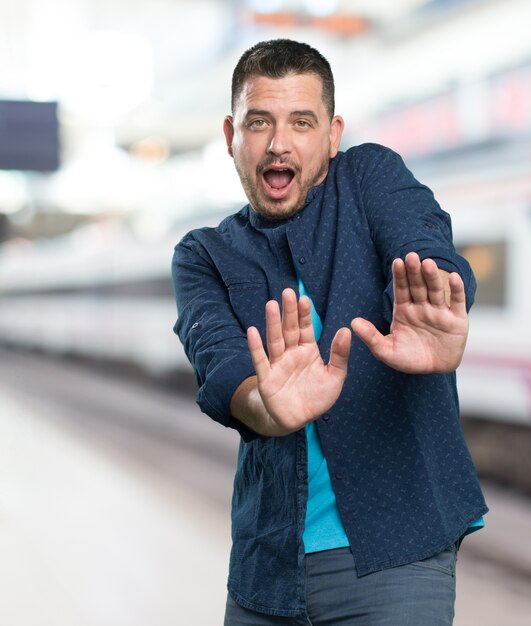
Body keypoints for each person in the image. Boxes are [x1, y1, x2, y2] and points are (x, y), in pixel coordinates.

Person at [172, 38, 487, 625]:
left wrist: (440, 293)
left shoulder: (370, 176)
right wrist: (267, 407)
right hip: (267, 571)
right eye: (258, 122)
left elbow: (424, 239)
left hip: (398, 550)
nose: (278, 143)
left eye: (301, 122)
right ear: (230, 135)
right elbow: (220, 367)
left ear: (333, 133)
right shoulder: (202, 255)